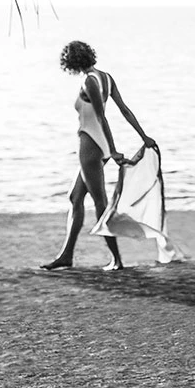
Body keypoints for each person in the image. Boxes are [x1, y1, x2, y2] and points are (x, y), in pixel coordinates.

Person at [41, 41, 156, 270]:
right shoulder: (106, 77)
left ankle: (116, 259)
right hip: (96, 145)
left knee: (100, 202)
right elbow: (124, 109)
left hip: (91, 145)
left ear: (71, 61)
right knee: (75, 197)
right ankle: (66, 255)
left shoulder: (89, 81)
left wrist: (112, 150)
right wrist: (143, 137)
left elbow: (102, 117)